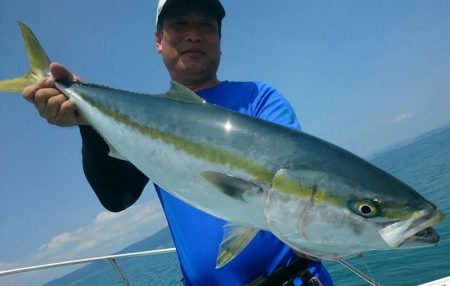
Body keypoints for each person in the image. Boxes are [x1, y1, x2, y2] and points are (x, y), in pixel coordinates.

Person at [22, 0, 334, 285]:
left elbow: (305, 182)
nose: (194, 35)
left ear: (219, 41)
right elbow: (117, 197)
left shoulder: (260, 98)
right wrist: (88, 121)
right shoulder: (144, 118)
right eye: (180, 24)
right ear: (159, 41)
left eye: (206, 26)